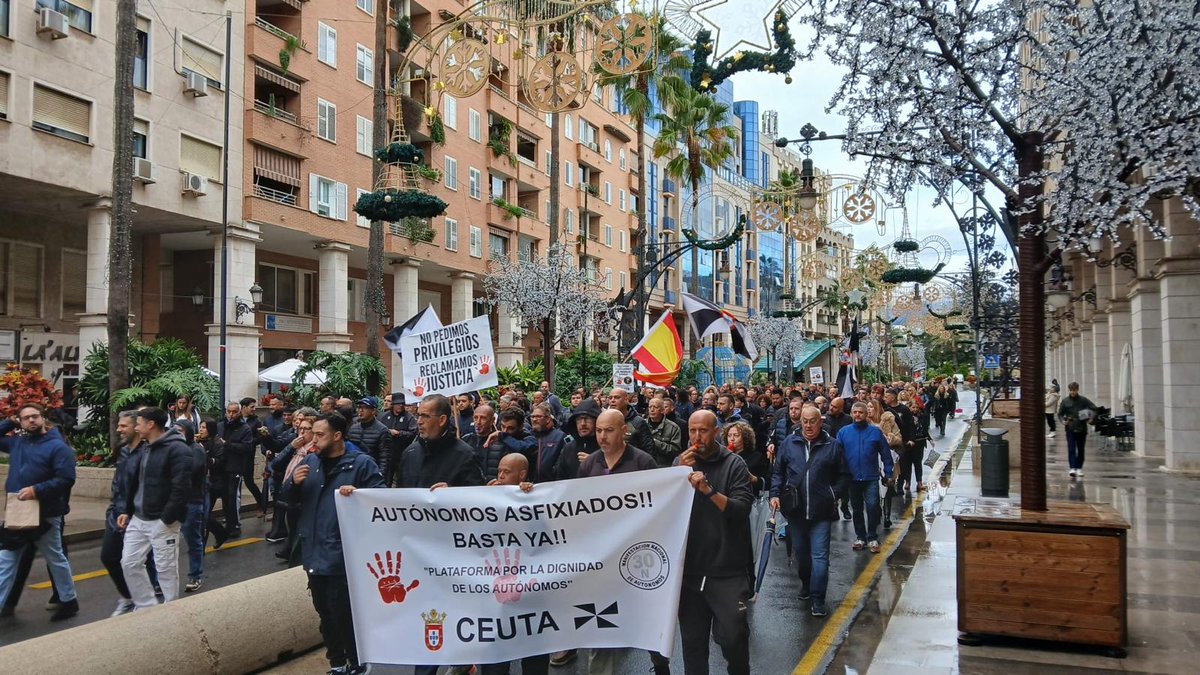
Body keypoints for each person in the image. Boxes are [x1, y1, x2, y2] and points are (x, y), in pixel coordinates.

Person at [283, 412, 384, 675]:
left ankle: (357, 661)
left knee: (344, 612)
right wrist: (293, 484)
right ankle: (337, 662)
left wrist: (359, 496)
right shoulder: (310, 461)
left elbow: (380, 501)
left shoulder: (361, 464)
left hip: (343, 554)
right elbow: (287, 500)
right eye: (312, 434)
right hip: (314, 551)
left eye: (319, 435)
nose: (313, 440)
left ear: (337, 436)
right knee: (325, 613)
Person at [578, 410, 667, 675]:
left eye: (609, 430)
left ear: (623, 431)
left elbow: (660, 502)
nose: (602, 436)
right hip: (601, 559)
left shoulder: (642, 462)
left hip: (637, 557)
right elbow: (574, 505)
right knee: (601, 621)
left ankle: (660, 664)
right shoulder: (589, 465)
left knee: (646, 619)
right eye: (599, 431)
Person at [676, 410, 753, 675]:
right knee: (693, 645)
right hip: (690, 571)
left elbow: (741, 509)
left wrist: (709, 491)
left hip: (726, 570)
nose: (697, 437)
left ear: (716, 432)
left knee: (733, 637)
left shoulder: (734, 464)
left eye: (703, 431)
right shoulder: (681, 463)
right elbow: (664, 509)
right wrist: (676, 474)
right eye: (692, 431)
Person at [0, 404, 80, 622]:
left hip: (46, 513)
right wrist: (9, 422)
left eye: (35, 416)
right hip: (18, 512)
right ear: (20, 422)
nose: (31, 420)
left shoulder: (58, 447)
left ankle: (69, 601)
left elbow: (66, 479)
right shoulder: (17, 443)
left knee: (55, 558)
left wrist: (36, 490)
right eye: (25, 418)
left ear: (43, 418)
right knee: (5, 560)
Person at [770, 405, 851, 616]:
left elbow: (844, 475)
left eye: (812, 421)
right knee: (802, 555)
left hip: (821, 511)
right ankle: (806, 583)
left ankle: (818, 598)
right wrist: (775, 494)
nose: (808, 425)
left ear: (820, 422)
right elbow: (778, 472)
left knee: (820, 557)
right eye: (804, 421)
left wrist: (832, 494)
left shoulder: (832, 445)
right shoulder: (789, 443)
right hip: (795, 511)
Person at [118, 407, 192, 608]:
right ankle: (146, 607)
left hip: (162, 521)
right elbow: (137, 482)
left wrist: (166, 519)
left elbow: (181, 488)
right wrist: (127, 511)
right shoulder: (146, 447)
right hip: (139, 518)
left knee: (166, 569)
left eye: (138, 423)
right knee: (129, 563)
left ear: (151, 424)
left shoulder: (178, 450)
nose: (136, 427)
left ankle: (171, 610)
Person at [836, 402, 893, 554]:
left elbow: (886, 455)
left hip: (871, 477)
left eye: (860, 412)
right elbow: (836, 455)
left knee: (873, 506)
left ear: (866, 414)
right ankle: (860, 537)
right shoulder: (843, 432)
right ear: (851, 413)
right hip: (852, 478)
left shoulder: (875, 432)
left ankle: (872, 536)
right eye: (855, 412)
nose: (857, 415)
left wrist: (888, 474)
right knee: (856, 509)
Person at [175, 420, 210, 593]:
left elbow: (191, 470)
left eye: (180, 431)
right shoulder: (174, 449)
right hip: (175, 501)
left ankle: (195, 575)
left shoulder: (196, 450)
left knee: (193, 539)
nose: (177, 434)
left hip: (192, 501)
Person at [216, 401, 253, 537]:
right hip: (221, 466)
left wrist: (228, 444)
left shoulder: (245, 428)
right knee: (225, 496)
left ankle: (235, 525)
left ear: (239, 412)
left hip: (235, 466)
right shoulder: (220, 425)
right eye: (229, 411)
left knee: (232, 496)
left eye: (234, 412)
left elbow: (247, 448)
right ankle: (228, 523)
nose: (231, 415)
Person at [551, 397, 602, 481]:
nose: (583, 423)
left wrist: (596, 464)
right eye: (579, 419)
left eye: (587, 418)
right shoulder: (568, 449)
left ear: (596, 420)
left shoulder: (606, 447)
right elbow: (559, 478)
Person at [1058, 382, 1098, 477]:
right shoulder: (1065, 401)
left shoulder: (1083, 400)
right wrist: (1063, 421)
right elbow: (1060, 414)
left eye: (1074, 390)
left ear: (1077, 390)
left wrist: (1091, 417)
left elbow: (1095, 409)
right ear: (1069, 390)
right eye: (1071, 390)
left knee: (1080, 449)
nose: (1073, 392)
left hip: (1081, 427)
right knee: (1071, 448)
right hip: (1070, 427)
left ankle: (1079, 468)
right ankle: (1072, 467)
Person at [379, 393, 418, 487]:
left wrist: (399, 433)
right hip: (387, 454)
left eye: (402, 404)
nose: (400, 406)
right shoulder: (384, 416)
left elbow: (413, 433)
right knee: (386, 480)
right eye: (398, 404)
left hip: (402, 453)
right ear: (393, 404)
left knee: (402, 480)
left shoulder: (409, 418)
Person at [723, 421, 769, 496]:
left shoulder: (756, 457)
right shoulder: (724, 456)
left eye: (736, 435)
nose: (732, 439)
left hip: (747, 496)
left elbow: (768, 482)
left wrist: (754, 479)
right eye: (729, 435)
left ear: (745, 438)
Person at [606, 388, 656, 455]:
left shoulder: (638, 422)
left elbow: (649, 449)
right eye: (610, 398)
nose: (612, 400)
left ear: (626, 400)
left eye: (617, 397)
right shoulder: (605, 421)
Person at [528, 403, 564, 482]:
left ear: (548, 419)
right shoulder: (528, 436)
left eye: (538, 416)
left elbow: (563, 464)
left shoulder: (559, 436)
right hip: (529, 485)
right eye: (532, 417)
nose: (534, 419)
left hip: (552, 484)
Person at [646, 396, 683, 467]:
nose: (652, 410)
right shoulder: (642, 425)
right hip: (645, 466)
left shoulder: (673, 428)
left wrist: (655, 442)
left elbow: (675, 451)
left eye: (655, 407)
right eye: (650, 407)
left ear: (662, 410)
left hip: (664, 467)